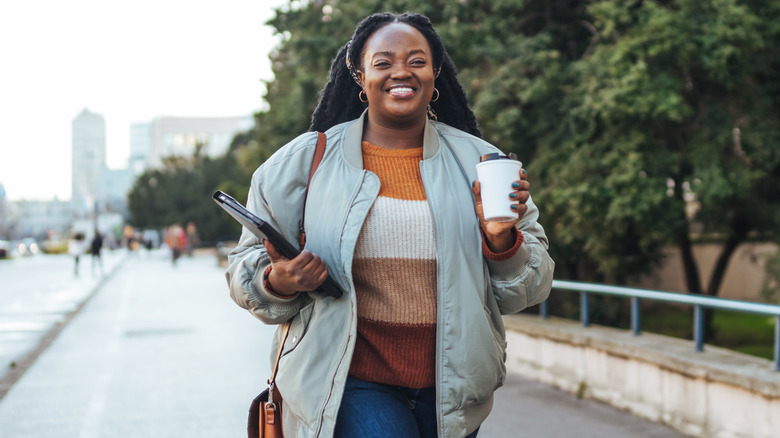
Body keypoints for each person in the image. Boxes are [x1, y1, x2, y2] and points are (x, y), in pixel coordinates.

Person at [226, 12, 554, 438]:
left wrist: (502, 239)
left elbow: (531, 287)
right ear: (360, 76)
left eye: (417, 61)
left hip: (453, 391)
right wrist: (279, 280)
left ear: (436, 74)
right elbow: (242, 269)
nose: (401, 71)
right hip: (351, 381)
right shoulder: (304, 163)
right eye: (383, 63)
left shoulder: (482, 164)